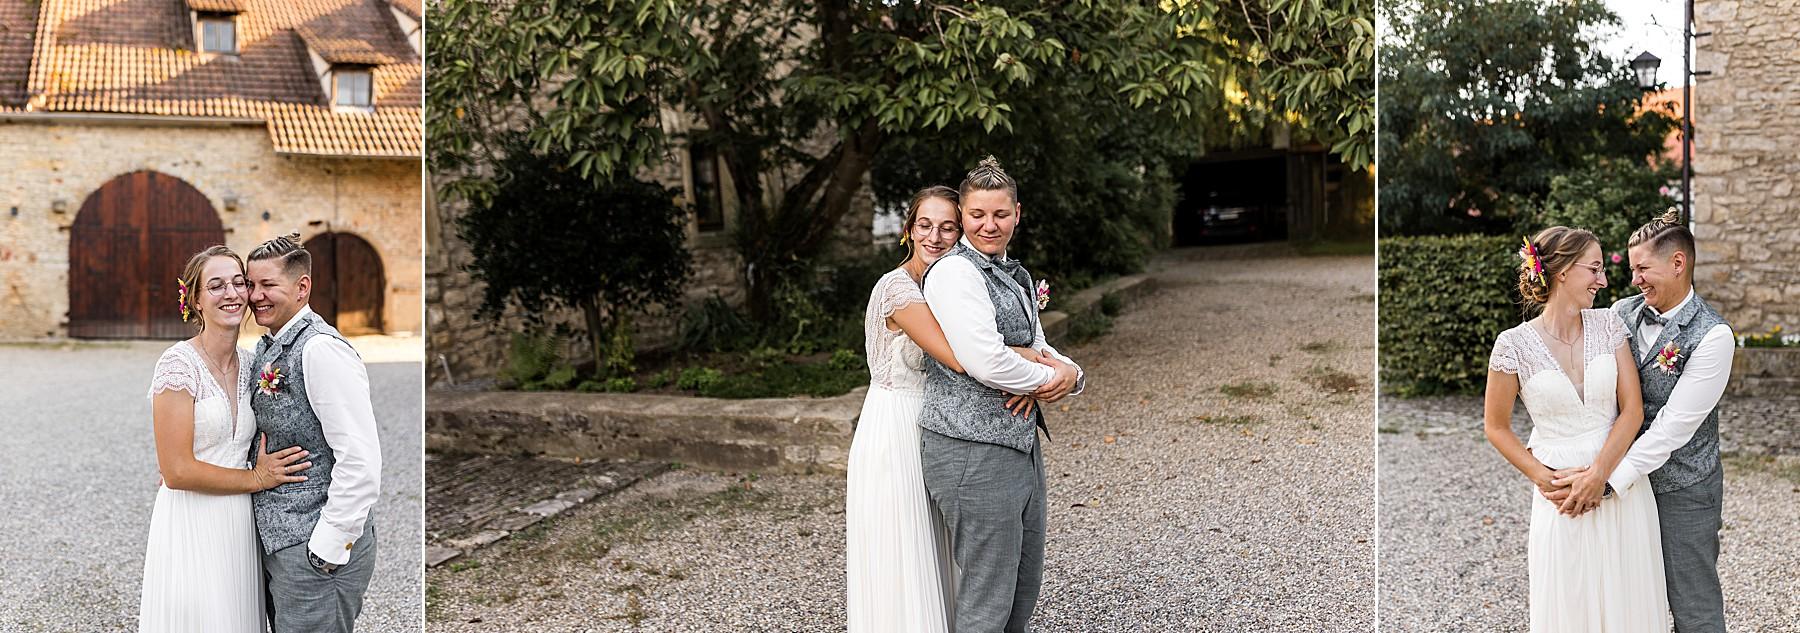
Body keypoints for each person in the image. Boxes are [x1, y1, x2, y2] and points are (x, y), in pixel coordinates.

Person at [845, 185, 1047, 632]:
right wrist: (1033, 361)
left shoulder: (951, 281)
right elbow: (958, 356)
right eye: (925, 225)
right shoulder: (897, 289)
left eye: (947, 227)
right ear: (908, 231)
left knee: (945, 556)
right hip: (897, 423)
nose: (934, 237)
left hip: (936, 417)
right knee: (906, 552)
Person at [919, 156, 1084, 633]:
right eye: (977, 215)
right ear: (964, 217)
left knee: (1022, 583)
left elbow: (1037, 345)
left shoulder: (1014, 274)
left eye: (1000, 214)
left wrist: (1071, 374)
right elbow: (986, 361)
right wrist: (1042, 380)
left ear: (1018, 213)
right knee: (988, 596)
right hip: (970, 450)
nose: (989, 225)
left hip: (1018, 442)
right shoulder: (955, 274)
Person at [1483, 226, 1668, 632]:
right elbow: (1495, 427)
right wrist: (1544, 479)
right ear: (1563, 271)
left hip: (1619, 484)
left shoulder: (1608, 325)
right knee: (1570, 600)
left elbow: (1632, 410)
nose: (1603, 280)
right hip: (1560, 494)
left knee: (1629, 601)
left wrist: (1599, 475)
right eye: (1595, 269)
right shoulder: (1512, 345)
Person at [142, 245, 311, 632]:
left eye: (239, 283)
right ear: (196, 300)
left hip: (240, 523)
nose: (232, 294)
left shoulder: (254, 363)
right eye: (216, 286)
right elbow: (176, 470)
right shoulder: (177, 364)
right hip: (191, 518)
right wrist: (257, 479)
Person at [245, 233, 383, 632]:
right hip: (283, 544)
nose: (256, 296)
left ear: (302, 287)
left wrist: (327, 548)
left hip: (314, 549)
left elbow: (360, 457)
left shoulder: (320, 350)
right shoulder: (271, 346)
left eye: (268, 285)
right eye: (251, 284)